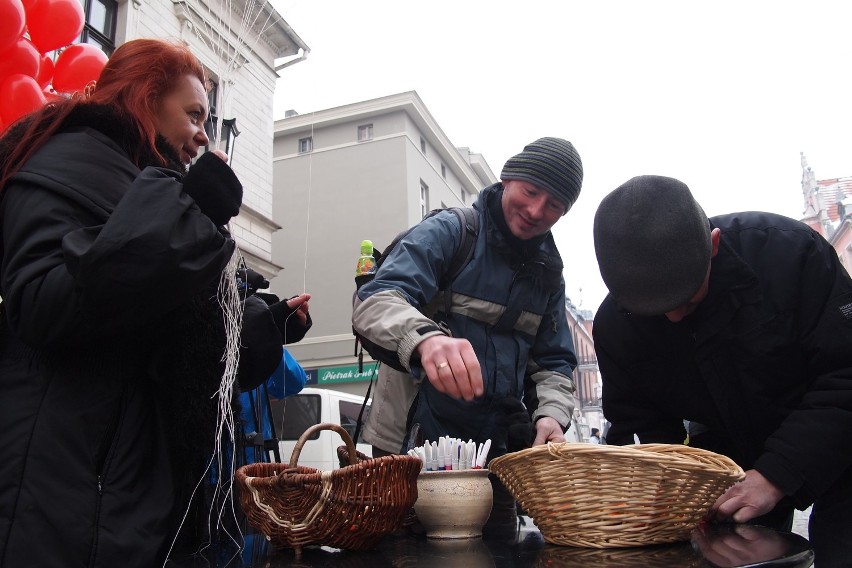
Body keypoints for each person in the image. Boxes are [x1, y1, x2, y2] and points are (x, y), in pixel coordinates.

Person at [0, 39, 294, 567]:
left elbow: (181, 351)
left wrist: (266, 325)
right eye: (194, 114)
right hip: (66, 492)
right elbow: (44, 303)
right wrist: (185, 213)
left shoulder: (150, 188)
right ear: (145, 97)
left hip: (132, 494)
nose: (204, 134)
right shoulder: (63, 163)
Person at [592, 175, 852, 567]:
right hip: (727, 455)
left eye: (687, 300)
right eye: (655, 311)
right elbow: (645, 429)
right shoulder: (617, 323)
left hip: (837, 437)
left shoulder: (790, 254)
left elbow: (845, 373)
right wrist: (676, 495)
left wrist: (776, 474)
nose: (674, 316)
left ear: (713, 246)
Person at [353, 137, 582, 533]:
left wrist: (551, 416)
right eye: (530, 192)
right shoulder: (450, 231)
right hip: (410, 456)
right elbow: (374, 300)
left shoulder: (549, 275)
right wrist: (425, 339)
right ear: (508, 178)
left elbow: (555, 364)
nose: (536, 211)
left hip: (497, 462)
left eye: (555, 206)